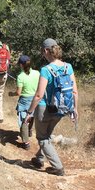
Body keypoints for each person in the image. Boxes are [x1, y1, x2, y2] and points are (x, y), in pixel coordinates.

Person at [25, 38, 79, 176]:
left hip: (45, 109)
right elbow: (74, 91)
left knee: (42, 138)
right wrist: (75, 109)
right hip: (62, 109)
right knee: (47, 135)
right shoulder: (68, 66)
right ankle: (39, 159)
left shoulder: (46, 70)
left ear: (45, 51)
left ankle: (58, 167)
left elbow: (38, 95)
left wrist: (29, 112)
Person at [10, 55, 40, 150]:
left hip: (24, 100)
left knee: (23, 121)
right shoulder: (37, 73)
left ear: (21, 65)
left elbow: (18, 93)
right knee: (31, 115)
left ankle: (26, 143)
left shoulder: (20, 76)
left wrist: (11, 93)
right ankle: (30, 130)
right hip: (35, 99)